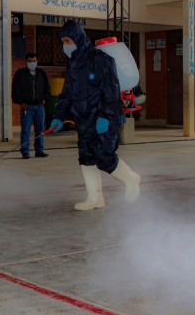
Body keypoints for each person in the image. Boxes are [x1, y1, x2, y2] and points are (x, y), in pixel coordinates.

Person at [48, 21, 140, 209]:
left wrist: (105, 116)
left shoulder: (101, 59)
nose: (66, 44)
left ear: (78, 38)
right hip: (83, 118)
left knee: (104, 157)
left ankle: (132, 179)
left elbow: (111, 90)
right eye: (63, 41)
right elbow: (67, 94)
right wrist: (59, 115)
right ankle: (95, 198)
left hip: (104, 117)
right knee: (86, 157)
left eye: (69, 40)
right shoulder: (73, 63)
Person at [11, 52, 50, 159]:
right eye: (30, 61)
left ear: (37, 61)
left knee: (40, 129)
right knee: (25, 129)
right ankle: (25, 151)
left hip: (39, 107)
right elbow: (16, 89)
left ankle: (39, 150)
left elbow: (47, 88)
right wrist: (20, 102)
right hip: (26, 107)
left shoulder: (41, 73)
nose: (32, 63)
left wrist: (45, 99)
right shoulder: (20, 74)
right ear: (26, 62)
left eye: (34, 61)